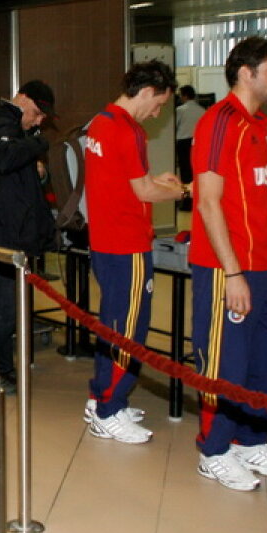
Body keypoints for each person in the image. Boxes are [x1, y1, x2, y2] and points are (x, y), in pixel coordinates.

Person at [190, 36, 267, 491]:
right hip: (226, 268)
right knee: (226, 365)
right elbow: (209, 203)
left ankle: (250, 440)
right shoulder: (220, 122)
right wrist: (232, 272)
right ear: (245, 73)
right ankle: (214, 450)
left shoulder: (259, 125)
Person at [83, 61, 184, 443]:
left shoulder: (101, 122)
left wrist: (157, 180)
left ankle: (102, 397)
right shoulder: (128, 129)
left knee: (112, 322)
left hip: (105, 241)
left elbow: (123, 182)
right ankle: (110, 409)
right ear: (146, 92)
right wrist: (181, 191)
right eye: (158, 104)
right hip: (127, 244)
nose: (158, 112)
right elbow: (142, 192)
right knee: (128, 330)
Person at [0, 80, 56, 391]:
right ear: (21, 99)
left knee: (5, 303)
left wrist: (37, 169)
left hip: (12, 227)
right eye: (36, 114)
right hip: (4, 230)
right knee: (3, 305)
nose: (38, 121)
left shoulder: (8, 128)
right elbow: (5, 159)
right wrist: (39, 145)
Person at [174, 85, 205, 210]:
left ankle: (187, 203)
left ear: (185, 96)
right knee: (195, 172)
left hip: (183, 142)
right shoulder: (202, 110)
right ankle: (196, 200)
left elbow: (175, 126)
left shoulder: (180, 110)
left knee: (185, 173)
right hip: (197, 143)